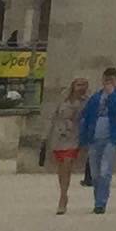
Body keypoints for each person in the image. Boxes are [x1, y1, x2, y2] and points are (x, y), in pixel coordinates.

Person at [47, 74, 91, 215]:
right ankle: (63, 191)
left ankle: (63, 197)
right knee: (61, 168)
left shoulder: (87, 102)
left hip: (74, 136)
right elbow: (53, 117)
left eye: (84, 85)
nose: (81, 88)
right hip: (59, 136)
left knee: (67, 163)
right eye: (79, 85)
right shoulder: (63, 99)